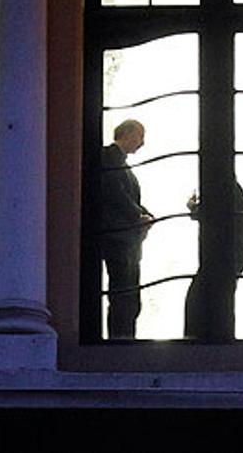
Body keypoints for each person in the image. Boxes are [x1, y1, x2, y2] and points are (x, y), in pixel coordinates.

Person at [98, 119, 154, 339]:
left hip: (127, 239)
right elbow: (114, 190)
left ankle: (125, 337)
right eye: (140, 136)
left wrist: (144, 214)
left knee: (129, 294)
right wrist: (138, 215)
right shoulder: (109, 157)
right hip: (118, 238)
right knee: (123, 292)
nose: (142, 142)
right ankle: (121, 339)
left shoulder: (121, 164)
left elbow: (124, 196)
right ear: (128, 133)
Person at [183, 181, 243, 341]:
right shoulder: (231, 188)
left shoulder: (221, 188)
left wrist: (194, 208)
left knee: (202, 304)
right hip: (232, 256)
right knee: (218, 304)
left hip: (225, 256)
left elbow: (215, 217)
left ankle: (201, 345)